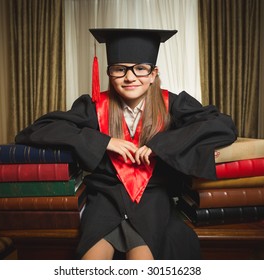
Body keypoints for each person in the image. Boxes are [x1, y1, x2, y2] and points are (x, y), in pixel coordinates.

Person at [15, 28, 237, 260]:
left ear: (153, 74)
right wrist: (104, 141)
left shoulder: (173, 104)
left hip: (151, 200)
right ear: (110, 74)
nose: (130, 77)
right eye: (120, 69)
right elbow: (36, 130)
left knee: (142, 260)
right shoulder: (94, 107)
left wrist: (161, 145)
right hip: (104, 198)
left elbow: (222, 125)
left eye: (140, 68)